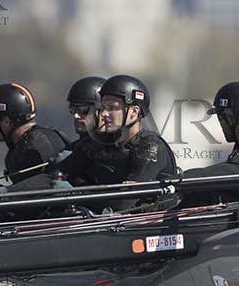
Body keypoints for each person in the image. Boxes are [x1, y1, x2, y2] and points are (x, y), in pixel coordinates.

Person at [46, 74, 177, 207]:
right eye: (102, 108)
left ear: (134, 112)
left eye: (112, 108)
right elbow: (57, 172)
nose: (103, 114)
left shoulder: (150, 147)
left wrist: (74, 196)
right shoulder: (100, 143)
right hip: (100, 217)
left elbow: (124, 202)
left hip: (142, 220)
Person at [0, 82, 68, 189]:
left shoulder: (35, 146)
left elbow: (49, 184)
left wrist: (5, 192)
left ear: (6, 121)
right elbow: (30, 191)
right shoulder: (21, 146)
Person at [66, 76, 105, 142]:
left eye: (83, 109)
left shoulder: (117, 147)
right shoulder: (73, 147)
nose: (76, 116)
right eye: (72, 109)